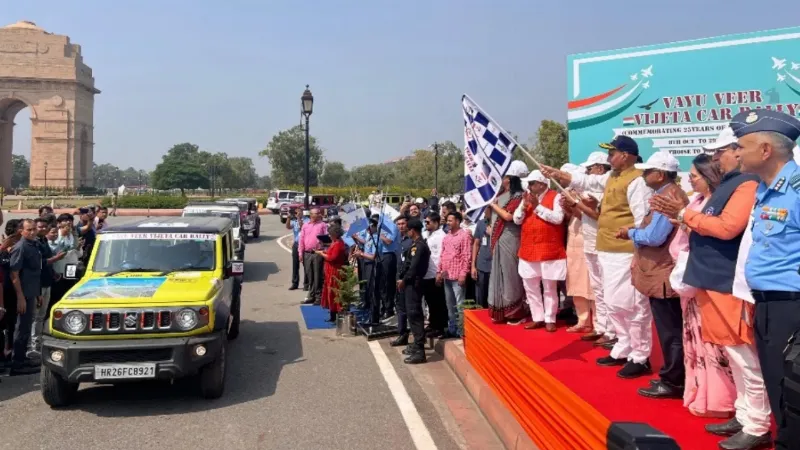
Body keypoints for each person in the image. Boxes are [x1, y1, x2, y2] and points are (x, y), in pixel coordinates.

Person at [652, 124, 770, 450]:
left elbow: (728, 227)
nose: (716, 158)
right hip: (711, 280)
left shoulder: (747, 184)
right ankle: (744, 415)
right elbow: (709, 223)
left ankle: (757, 425)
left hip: (728, 282)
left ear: (738, 150)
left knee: (745, 357)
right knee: (732, 355)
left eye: (721, 152)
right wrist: (683, 217)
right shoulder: (728, 185)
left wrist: (683, 215)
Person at [542, 135, 654, 378]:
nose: (608, 157)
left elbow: (641, 220)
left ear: (625, 155)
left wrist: (638, 252)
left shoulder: (637, 181)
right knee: (613, 302)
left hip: (626, 252)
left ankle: (641, 355)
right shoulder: (611, 176)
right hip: (607, 249)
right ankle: (623, 346)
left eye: (612, 153)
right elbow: (587, 181)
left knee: (633, 305)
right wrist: (559, 175)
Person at [733, 109, 800, 449]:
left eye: (741, 145)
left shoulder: (797, 191)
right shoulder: (764, 189)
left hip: (793, 309)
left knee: (794, 393)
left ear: (765, 150)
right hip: (769, 306)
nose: (735, 153)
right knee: (779, 390)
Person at [669, 153, 735, 418]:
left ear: (709, 177)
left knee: (712, 343)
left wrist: (686, 225)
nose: (690, 180)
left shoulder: (718, 204)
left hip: (709, 280)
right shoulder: (697, 201)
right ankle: (699, 393)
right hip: (691, 280)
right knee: (694, 342)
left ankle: (720, 400)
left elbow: (711, 237)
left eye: (694, 176)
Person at [616, 152, 688, 392]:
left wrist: (630, 233)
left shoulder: (668, 197)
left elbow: (655, 237)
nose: (644, 175)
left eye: (647, 171)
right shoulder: (665, 194)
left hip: (663, 273)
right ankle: (674, 376)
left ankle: (673, 381)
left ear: (661, 174)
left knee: (671, 331)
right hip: (658, 271)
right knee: (670, 329)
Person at [513, 170, 566, 331]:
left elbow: (558, 218)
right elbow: (516, 219)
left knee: (549, 286)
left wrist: (537, 207)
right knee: (530, 285)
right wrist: (523, 205)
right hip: (529, 248)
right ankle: (538, 317)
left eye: (531, 183)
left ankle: (550, 318)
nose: (528, 187)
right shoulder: (527, 199)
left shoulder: (555, 196)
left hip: (549, 248)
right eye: (528, 184)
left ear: (542, 184)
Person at [575, 152, 613, 343]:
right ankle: (601, 327)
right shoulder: (590, 189)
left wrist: (581, 205)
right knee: (597, 288)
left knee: (608, 288)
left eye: (590, 169)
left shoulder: (608, 190)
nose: (588, 172)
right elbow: (584, 216)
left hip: (604, 244)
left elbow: (601, 217)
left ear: (600, 168)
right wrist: (574, 205)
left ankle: (612, 331)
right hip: (589, 242)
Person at [486, 160, 528, 324]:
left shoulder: (518, 196)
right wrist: (489, 204)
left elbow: (509, 216)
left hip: (510, 238)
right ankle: (501, 310)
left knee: (510, 274)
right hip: (498, 238)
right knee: (499, 274)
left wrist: (493, 205)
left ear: (509, 179)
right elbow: (490, 216)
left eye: (503, 177)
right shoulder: (500, 196)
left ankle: (515, 312)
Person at [8, 219, 42, 375]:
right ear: (21, 231)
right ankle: (17, 364)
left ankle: (23, 358)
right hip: (23, 294)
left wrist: (37, 293)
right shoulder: (20, 247)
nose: (33, 232)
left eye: (34, 229)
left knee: (27, 327)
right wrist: (20, 296)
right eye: (29, 230)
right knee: (21, 328)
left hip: (31, 292)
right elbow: (14, 274)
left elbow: (35, 272)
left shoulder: (33, 245)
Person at [397, 218, 430, 364]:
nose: (407, 232)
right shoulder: (415, 245)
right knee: (411, 314)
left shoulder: (420, 246)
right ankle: (416, 345)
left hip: (414, 284)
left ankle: (420, 350)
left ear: (413, 230)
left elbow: (414, 267)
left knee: (415, 315)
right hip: (409, 284)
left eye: (408, 229)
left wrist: (404, 280)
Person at [437, 211, 472, 337]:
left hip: (458, 276)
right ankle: (452, 329)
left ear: (457, 221)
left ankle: (461, 331)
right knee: (450, 305)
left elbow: (467, 256)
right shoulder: (447, 237)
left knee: (460, 305)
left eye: (450, 220)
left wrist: (463, 273)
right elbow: (442, 255)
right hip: (447, 275)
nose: (448, 223)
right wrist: (439, 272)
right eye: (447, 221)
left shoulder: (464, 236)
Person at [422, 212, 447, 337]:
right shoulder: (427, 234)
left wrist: (440, 273)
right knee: (430, 302)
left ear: (436, 223)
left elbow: (442, 256)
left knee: (438, 302)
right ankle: (432, 324)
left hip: (436, 273)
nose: (426, 224)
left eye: (428, 222)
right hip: (426, 273)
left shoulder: (442, 236)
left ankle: (439, 327)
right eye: (425, 222)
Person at [317, 225, 348, 323]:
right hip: (330, 270)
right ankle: (332, 314)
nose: (329, 236)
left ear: (335, 234)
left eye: (330, 234)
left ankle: (335, 315)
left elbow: (332, 258)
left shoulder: (339, 244)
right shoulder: (335, 242)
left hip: (335, 271)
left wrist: (321, 254)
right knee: (330, 291)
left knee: (334, 292)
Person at [390, 216, 413, 347]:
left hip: (407, 280)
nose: (401, 226)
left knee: (409, 309)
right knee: (400, 307)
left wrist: (404, 279)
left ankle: (411, 336)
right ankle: (402, 334)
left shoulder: (411, 241)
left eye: (403, 224)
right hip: (398, 278)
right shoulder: (399, 239)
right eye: (398, 224)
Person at [298, 208, 328, 305]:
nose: (316, 216)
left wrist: (324, 249)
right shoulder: (305, 225)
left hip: (317, 253)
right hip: (307, 253)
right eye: (314, 214)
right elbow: (301, 240)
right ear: (310, 215)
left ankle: (318, 297)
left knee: (317, 275)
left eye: (317, 214)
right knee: (309, 275)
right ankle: (311, 295)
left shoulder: (322, 225)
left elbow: (327, 239)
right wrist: (300, 253)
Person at [376, 214, 400, 320]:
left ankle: (389, 308)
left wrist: (379, 234)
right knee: (381, 283)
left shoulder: (392, 226)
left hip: (389, 254)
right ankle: (383, 306)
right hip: (379, 255)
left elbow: (389, 241)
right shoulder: (379, 226)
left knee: (387, 283)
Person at [471, 207, 492, 309]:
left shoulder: (500, 223)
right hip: (481, 266)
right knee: (480, 297)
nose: (485, 211)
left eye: (487, 208)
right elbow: (476, 244)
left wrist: (492, 233)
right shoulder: (481, 223)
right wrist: (473, 266)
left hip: (494, 267)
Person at [286, 209, 307, 291]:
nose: (297, 214)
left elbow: (303, 228)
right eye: (296, 212)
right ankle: (295, 283)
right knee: (295, 265)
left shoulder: (307, 220)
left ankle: (306, 284)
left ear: (302, 212)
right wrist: (288, 218)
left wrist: (299, 219)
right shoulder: (294, 221)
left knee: (306, 265)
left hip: (304, 245)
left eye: (298, 212)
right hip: (296, 244)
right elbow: (288, 227)